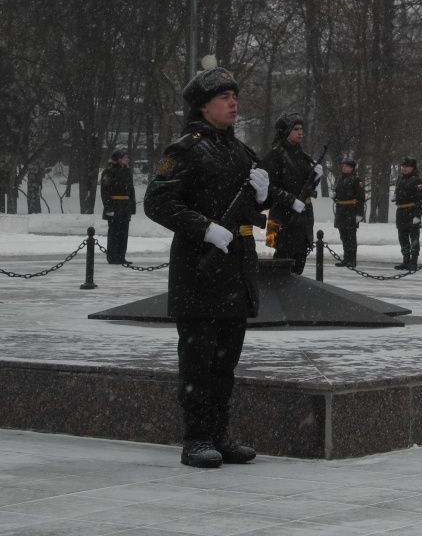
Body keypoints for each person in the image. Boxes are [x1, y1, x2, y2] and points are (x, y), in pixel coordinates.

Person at [144, 67, 271, 468]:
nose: (234, 103)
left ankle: (220, 434)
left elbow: (251, 211)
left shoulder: (242, 152)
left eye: (235, 96)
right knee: (198, 361)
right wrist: (205, 229)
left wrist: (263, 198)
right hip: (199, 272)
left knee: (225, 362)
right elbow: (158, 203)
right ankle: (196, 438)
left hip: (235, 274)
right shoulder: (184, 149)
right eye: (224, 98)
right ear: (203, 106)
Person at [259, 113, 322, 275]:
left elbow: (304, 186)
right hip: (283, 217)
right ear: (285, 131)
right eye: (296, 129)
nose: (301, 132)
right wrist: (290, 200)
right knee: (282, 264)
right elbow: (269, 186)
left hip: (303, 218)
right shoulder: (275, 155)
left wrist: (315, 177)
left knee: (298, 262)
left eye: (302, 129)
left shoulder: (302, 155)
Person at [100, 148, 135, 264]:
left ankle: (121, 256)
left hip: (125, 206)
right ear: (119, 159)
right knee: (114, 233)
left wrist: (132, 207)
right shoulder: (108, 172)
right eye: (125, 158)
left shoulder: (127, 171)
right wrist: (108, 208)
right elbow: (105, 192)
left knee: (123, 233)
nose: (127, 159)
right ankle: (112, 257)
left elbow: (131, 191)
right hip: (114, 206)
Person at [393, 157, 422, 270]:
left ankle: (413, 261)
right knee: (403, 238)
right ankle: (406, 260)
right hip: (401, 211)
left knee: (414, 238)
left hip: (412, 211)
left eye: (407, 167)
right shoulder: (400, 179)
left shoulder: (417, 181)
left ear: (413, 168)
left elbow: (421, 200)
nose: (404, 168)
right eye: (403, 166)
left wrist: (417, 216)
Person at [333, 158, 365, 267]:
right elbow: (338, 193)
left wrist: (360, 214)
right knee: (344, 236)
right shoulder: (341, 179)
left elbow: (361, 198)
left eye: (346, 166)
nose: (344, 168)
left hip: (351, 210)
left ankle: (352, 260)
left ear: (352, 168)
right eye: (343, 166)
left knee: (351, 237)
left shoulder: (356, 180)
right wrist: (335, 196)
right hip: (341, 210)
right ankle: (346, 258)